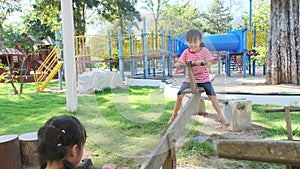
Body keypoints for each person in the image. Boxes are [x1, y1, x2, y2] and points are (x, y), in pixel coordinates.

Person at [168, 29, 230, 127]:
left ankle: (221, 116)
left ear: (200, 41)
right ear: (187, 42)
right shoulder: (186, 52)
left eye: (195, 42)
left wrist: (202, 62)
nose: (192, 45)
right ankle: (174, 115)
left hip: (203, 79)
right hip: (189, 80)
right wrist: (178, 64)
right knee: (179, 96)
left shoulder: (204, 51)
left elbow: (210, 62)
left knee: (212, 97)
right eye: (190, 42)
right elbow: (180, 61)